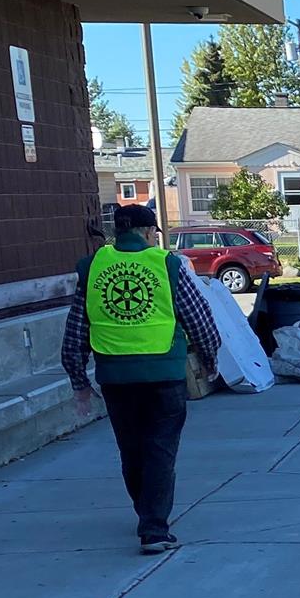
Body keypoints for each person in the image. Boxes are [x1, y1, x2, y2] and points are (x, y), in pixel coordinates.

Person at [62, 204, 222, 555]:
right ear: (149, 233)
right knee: (160, 450)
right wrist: (210, 360)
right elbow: (198, 318)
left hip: (116, 378)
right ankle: (154, 528)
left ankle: (146, 513)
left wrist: (78, 379)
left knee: (132, 451)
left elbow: (76, 328)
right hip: (164, 374)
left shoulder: (94, 268)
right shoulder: (167, 265)